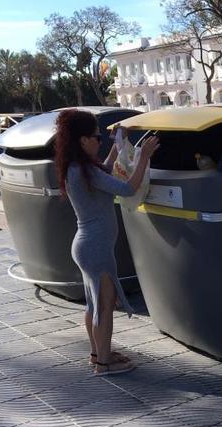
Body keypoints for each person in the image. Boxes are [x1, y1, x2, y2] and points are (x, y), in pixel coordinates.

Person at [54, 109, 159, 376]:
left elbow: (107, 172)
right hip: (95, 247)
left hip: (87, 245)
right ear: (82, 141)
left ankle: (97, 353)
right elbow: (126, 188)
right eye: (96, 137)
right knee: (104, 305)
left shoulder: (78, 168)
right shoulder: (85, 169)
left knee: (94, 304)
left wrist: (116, 145)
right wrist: (144, 157)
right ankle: (103, 363)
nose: (99, 141)